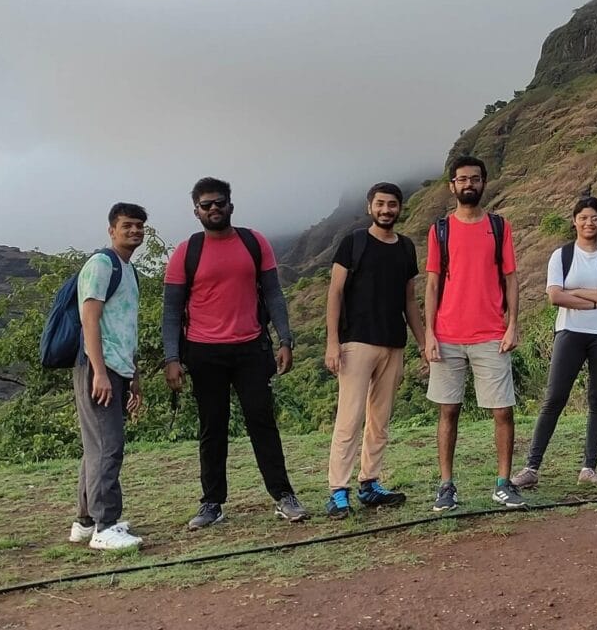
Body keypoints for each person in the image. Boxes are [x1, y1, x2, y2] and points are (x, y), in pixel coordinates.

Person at [161, 177, 308, 528]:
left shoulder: (254, 242)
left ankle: (284, 495)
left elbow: (273, 294)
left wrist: (285, 340)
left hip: (251, 348)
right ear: (195, 211)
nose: (214, 209)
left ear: (231, 204)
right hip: (203, 351)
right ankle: (211, 502)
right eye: (206, 205)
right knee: (213, 427)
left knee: (262, 421)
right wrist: (172, 358)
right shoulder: (186, 252)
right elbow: (170, 310)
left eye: (219, 202)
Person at [423, 156, 525, 511]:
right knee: (448, 410)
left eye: (475, 179)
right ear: (452, 185)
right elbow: (432, 284)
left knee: (503, 412)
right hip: (448, 335)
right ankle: (446, 485)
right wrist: (430, 334)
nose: (469, 185)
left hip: (491, 334)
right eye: (463, 179)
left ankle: (503, 483)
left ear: (484, 183)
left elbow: (511, 278)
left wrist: (513, 324)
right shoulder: (440, 230)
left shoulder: (499, 226)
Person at [323, 182, 424, 518]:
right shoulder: (354, 242)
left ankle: (370, 483)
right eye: (380, 204)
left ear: (400, 208)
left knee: (379, 420)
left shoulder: (406, 248)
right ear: (370, 207)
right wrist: (333, 343)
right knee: (349, 418)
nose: (386, 210)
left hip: (393, 343)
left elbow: (410, 300)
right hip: (356, 342)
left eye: (392, 204)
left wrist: (423, 342)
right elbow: (335, 293)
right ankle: (338, 490)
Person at [514, 195, 597, 490]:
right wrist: (594, 299)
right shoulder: (561, 256)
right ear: (574, 221)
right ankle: (531, 467)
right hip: (571, 332)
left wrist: (575, 291)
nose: (589, 223)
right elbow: (555, 296)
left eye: (595, 218)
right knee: (554, 398)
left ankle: (589, 468)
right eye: (583, 217)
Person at [69, 202, 147, 551]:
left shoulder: (126, 269)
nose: (134, 231)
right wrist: (99, 371)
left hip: (116, 368)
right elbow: (90, 318)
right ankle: (106, 526)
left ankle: (86, 522)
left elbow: (124, 326)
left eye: (140, 226)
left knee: (96, 447)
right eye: (127, 225)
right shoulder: (101, 265)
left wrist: (134, 375)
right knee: (108, 446)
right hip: (97, 368)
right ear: (111, 229)